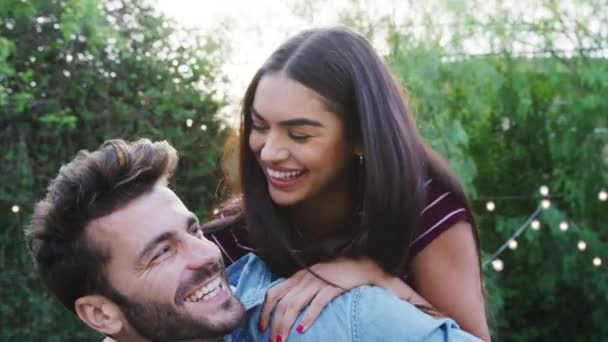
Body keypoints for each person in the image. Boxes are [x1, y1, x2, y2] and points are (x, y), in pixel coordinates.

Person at [25, 139, 481, 341]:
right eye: (161, 252)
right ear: (100, 314)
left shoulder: (333, 322)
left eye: (193, 230)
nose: (208, 254)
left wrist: (379, 281)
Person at [208, 27, 490, 341]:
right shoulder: (234, 235)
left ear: (360, 137)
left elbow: (470, 337)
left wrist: (376, 280)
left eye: (299, 135)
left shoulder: (425, 206)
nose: (270, 152)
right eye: (259, 126)